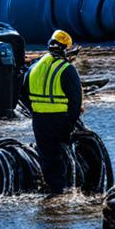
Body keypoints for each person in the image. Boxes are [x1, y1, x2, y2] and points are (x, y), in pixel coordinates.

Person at [23, 30, 82, 195]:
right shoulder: (67, 69)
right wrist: (71, 123)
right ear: (66, 49)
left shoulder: (34, 67)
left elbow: (22, 92)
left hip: (40, 120)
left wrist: (34, 111)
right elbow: (75, 101)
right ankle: (62, 192)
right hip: (60, 120)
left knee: (47, 156)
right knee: (61, 155)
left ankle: (51, 189)